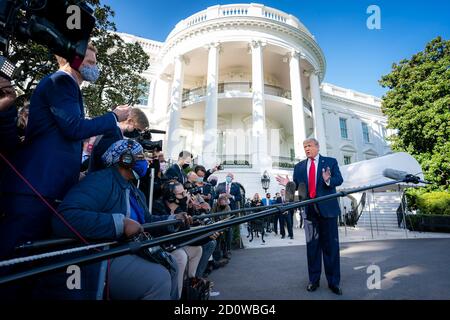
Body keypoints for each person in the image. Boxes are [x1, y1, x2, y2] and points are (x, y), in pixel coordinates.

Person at [0, 43, 131, 260]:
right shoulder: (61, 81)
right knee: (13, 260)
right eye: (90, 62)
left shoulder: (68, 86)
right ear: (75, 60)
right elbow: (74, 128)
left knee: (28, 261)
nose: (95, 67)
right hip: (36, 188)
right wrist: (114, 117)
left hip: (45, 188)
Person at [52, 139, 192, 300]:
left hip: (130, 249)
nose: (145, 161)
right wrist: (120, 223)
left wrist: (172, 219)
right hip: (105, 254)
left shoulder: (135, 191)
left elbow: (146, 221)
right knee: (158, 280)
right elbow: (65, 217)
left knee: (172, 265)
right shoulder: (101, 180)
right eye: (140, 156)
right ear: (126, 159)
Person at [277, 138, 344, 295]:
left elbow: (339, 180)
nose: (307, 148)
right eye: (304, 146)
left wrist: (328, 180)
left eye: (309, 145)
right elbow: (297, 194)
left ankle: (333, 282)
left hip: (328, 212)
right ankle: (313, 280)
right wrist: (288, 185)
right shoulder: (299, 167)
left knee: (331, 248)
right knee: (312, 248)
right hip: (309, 213)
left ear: (317, 147)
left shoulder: (330, 162)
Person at [88, 107, 149, 172]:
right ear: (130, 121)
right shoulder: (113, 134)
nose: (137, 134)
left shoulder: (114, 133)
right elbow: (106, 161)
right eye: (138, 130)